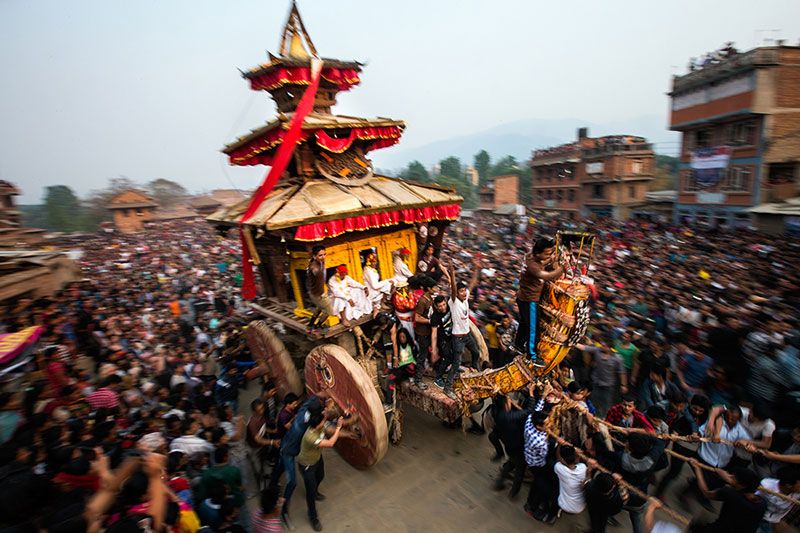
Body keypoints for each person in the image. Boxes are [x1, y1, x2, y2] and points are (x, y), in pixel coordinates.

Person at [515, 236, 564, 364]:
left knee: (524, 323)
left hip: (522, 297)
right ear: (538, 253)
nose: (550, 255)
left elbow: (542, 261)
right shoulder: (533, 266)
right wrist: (562, 269)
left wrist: (551, 258)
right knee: (533, 328)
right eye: (547, 253)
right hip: (530, 299)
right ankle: (532, 355)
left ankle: (518, 344)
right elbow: (547, 276)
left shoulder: (530, 256)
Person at [296, 412, 344, 532]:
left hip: (317, 458)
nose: (324, 423)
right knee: (310, 493)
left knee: (321, 475)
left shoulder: (319, 426)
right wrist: (339, 427)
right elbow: (331, 443)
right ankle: (313, 517)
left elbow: (328, 426)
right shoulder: (310, 437)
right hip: (307, 464)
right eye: (322, 421)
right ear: (317, 425)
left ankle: (315, 491)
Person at [690, 461, 767, 533]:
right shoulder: (762, 504)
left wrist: (697, 469)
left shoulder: (730, 494)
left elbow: (706, 493)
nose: (729, 476)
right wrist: (731, 481)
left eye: (733, 478)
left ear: (741, 485)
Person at [444, 260, 481, 399]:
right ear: (456, 293)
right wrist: (452, 273)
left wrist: (476, 270)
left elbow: (472, 284)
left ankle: (475, 368)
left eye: (464, 291)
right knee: (456, 363)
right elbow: (453, 288)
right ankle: (447, 388)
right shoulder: (453, 301)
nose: (464, 293)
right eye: (461, 291)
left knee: (476, 353)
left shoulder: (465, 299)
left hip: (467, 335)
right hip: (458, 337)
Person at [757, 466, 800, 531]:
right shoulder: (766, 485)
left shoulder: (797, 493)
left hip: (774, 521)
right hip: (759, 517)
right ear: (788, 485)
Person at [412, 275, 436, 385]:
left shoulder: (430, 298)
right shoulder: (422, 301)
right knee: (422, 355)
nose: (436, 289)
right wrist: (429, 321)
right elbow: (417, 317)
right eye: (434, 287)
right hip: (422, 333)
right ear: (429, 288)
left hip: (428, 332)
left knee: (427, 353)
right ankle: (418, 380)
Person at [306, 245, 333, 333]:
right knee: (329, 311)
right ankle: (318, 326)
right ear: (314, 256)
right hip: (318, 294)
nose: (323, 257)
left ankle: (310, 325)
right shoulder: (315, 267)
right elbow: (315, 271)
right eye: (320, 255)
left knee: (319, 308)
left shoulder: (320, 262)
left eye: (324, 254)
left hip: (314, 292)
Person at [430, 295, 454, 390]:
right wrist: (434, 349)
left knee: (454, 355)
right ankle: (438, 378)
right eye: (440, 306)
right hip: (443, 340)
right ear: (436, 306)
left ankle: (450, 370)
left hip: (452, 337)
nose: (443, 307)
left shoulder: (450, 307)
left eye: (444, 304)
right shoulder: (435, 317)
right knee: (447, 358)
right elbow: (434, 334)